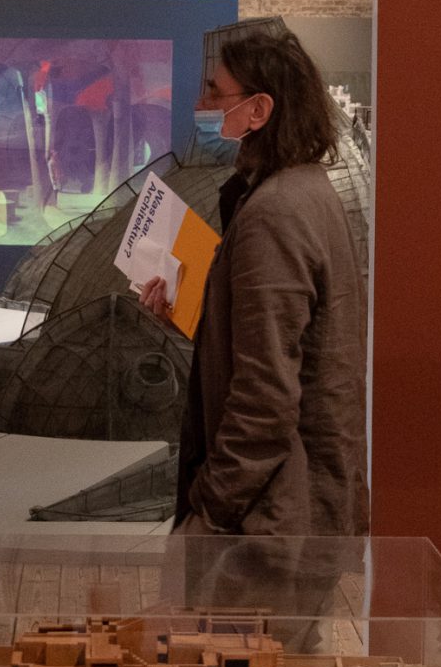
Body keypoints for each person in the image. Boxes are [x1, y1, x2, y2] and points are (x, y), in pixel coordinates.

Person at [141, 27, 368, 541]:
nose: (202, 103)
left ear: (259, 110)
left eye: (216, 93)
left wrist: (211, 511)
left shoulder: (275, 213)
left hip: (269, 522)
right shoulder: (299, 192)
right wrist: (196, 318)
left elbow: (265, 396)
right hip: (286, 510)